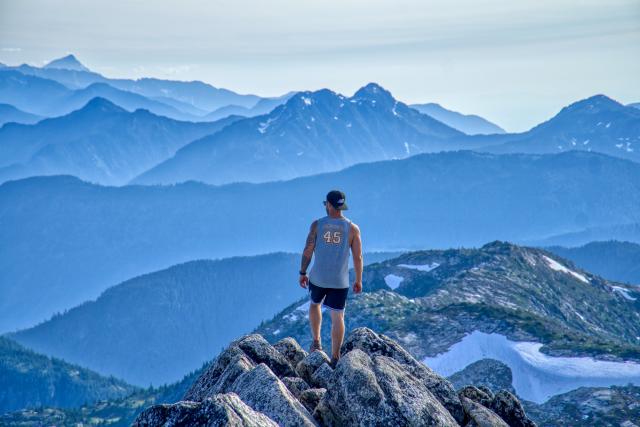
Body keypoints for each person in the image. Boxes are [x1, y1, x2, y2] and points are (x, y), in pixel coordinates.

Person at [299, 190, 363, 367]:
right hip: (339, 280)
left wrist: (302, 272)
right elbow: (358, 257)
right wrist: (358, 279)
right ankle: (335, 357)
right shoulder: (352, 228)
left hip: (318, 277)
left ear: (328, 204)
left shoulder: (317, 225)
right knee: (338, 317)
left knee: (314, 304)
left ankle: (316, 341)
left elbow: (308, 250)